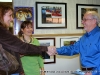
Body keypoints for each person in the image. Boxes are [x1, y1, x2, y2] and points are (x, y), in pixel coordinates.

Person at [0, 5, 56, 75]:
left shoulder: (35, 41)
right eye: (10, 15)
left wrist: (42, 70)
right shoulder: (2, 32)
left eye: (31, 27)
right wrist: (46, 48)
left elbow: (39, 58)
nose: (11, 19)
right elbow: (22, 47)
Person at [52, 11, 100, 75]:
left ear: (94, 21)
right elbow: (73, 49)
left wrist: (93, 73)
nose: (82, 22)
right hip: (84, 72)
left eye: (85, 20)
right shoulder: (84, 37)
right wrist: (55, 50)